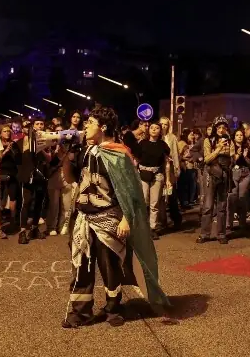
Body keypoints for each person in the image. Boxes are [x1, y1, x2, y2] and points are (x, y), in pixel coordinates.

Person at [61, 106, 169, 328]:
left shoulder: (119, 154)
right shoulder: (83, 150)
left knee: (109, 265)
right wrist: (67, 154)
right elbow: (71, 177)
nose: (85, 126)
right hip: (83, 218)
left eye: (90, 122)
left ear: (103, 127)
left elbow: (131, 191)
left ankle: (113, 307)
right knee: (81, 266)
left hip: (108, 217)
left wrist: (126, 219)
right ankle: (80, 312)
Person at [198, 116, 234, 244]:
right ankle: (204, 234)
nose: (221, 130)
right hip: (211, 174)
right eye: (219, 127)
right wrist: (218, 149)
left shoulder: (230, 141)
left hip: (224, 174)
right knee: (208, 206)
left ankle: (221, 234)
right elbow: (207, 159)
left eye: (224, 127)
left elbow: (232, 156)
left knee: (222, 206)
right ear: (215, 128)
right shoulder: (208, 140)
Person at [17, 118, 50, 244]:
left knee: (39, 203)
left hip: (41, 175)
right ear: (33, 126)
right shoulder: (24, 140)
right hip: (28, 175)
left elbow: (49, 158)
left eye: (42, 124)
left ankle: (35, 228)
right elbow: (22, 156)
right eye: (37, 124)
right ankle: (22, 231)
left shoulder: (46, 140)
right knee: (27, 202)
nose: (40, 126)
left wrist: (42, 147)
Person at [0, 124, 21, 231]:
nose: (7, 133)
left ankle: (12, 219)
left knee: (13, 196)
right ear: (0, 133)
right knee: (0, 197)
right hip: (0, 172)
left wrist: (13, 151)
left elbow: (18, 158)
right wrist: (5, 151)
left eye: (8, 131)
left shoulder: (14, 144)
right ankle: (0, 218)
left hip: (12, 173)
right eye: (4, 131)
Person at [229, 127, 250, 232]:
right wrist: (238, 155)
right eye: (237, 135)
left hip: (245, 173)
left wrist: (245, 156)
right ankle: (228, 224)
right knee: (232, 198)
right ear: (234, 137)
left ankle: (242, 224)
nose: (239, 137)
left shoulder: (247, 147)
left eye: (241, 135)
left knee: (242, 198)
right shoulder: (230, 147)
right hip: (234, 172)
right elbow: (230, 162)